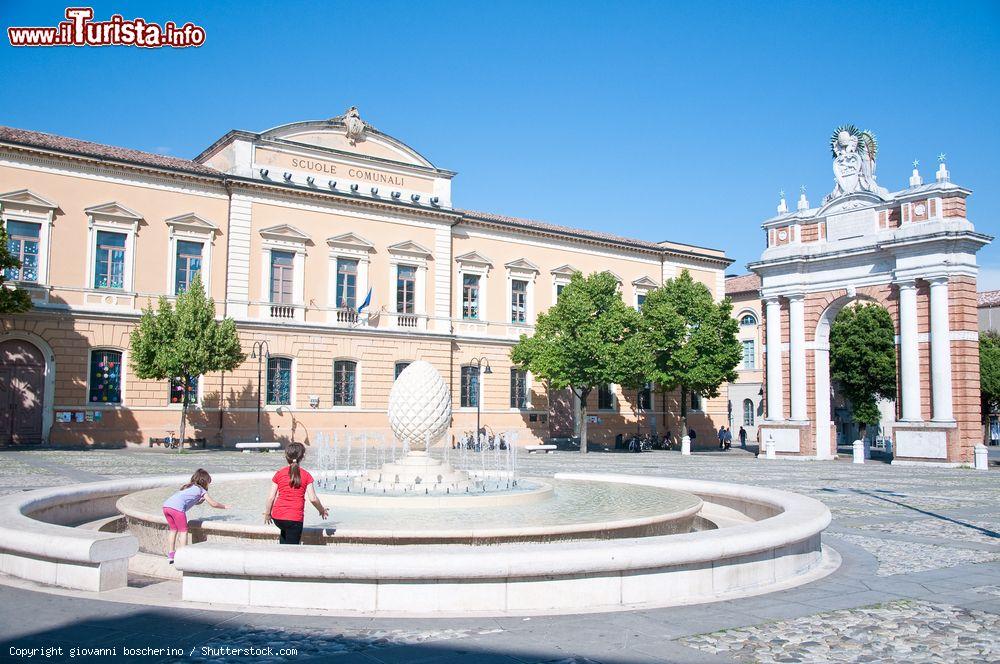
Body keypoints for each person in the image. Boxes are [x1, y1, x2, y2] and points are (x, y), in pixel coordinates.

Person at [263, 442, 329, 545]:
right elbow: (313, 499)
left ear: (286, 456)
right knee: (292, 549)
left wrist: (267, 514)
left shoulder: (279, 474)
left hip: (278, 518)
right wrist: (322, 510)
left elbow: (271, 497)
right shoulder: (306, 475)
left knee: (284, 538)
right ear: (302, 457)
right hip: (294, 519)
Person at [162, 468, 228, 563]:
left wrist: (198, 501)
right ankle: (182, 555)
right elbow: (213, 504)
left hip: (166, 506)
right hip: (177, 509)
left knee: (173, 530)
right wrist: (224, 506)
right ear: (204, 481)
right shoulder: (201, 490)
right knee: (183, 531)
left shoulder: (189, 486)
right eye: (208, 482)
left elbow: (188, 499)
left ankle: (171, 554)